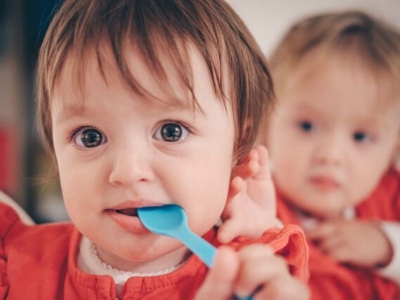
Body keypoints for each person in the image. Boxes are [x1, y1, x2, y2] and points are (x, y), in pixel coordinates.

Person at [0, 0, 310, 299]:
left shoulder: (251, 277)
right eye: (90, 137)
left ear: (238, 147)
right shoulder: (15, 262)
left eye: (171, 132)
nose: (128, 172)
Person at [261, 10, 400, 300]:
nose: (332, 156)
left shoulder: (391, 196)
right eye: (307, 126)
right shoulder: (256, 212)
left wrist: (387, 245)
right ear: (265, 124)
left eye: (361, 136)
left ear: (393, 148)